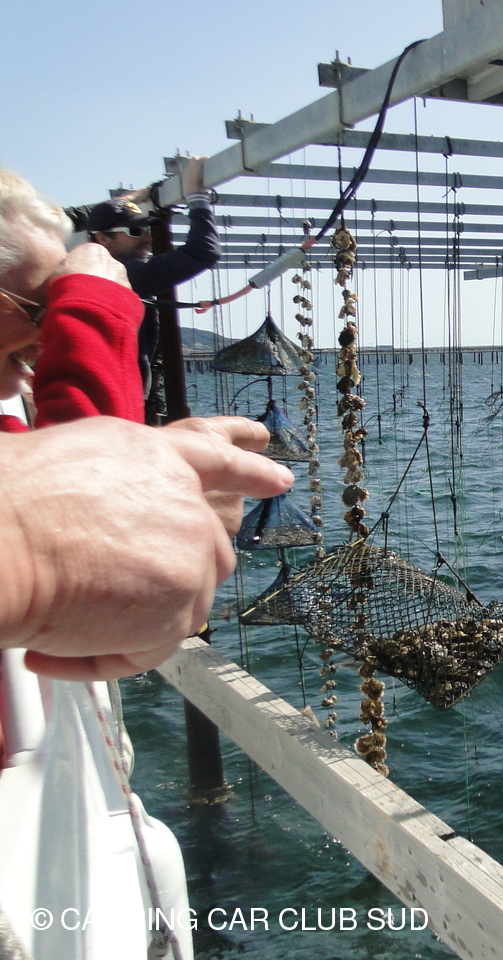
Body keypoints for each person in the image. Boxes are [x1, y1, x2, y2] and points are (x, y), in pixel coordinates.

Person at [0, 167, 293, 680]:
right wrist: (95, 308)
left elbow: (76, 485)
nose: (51, 335)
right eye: (44, 307)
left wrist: (152, 469)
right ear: (102, 240)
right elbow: (96, 521)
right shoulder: (130, 275)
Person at [83, 156, 220, 406]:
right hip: (113, 401)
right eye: (135, 232)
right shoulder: (124, 273)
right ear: (103, 239)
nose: (147, 238)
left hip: (104, 395)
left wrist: (135, 198)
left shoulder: (87, 270)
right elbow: (204, 252)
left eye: (146, 230)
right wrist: (197, 197)